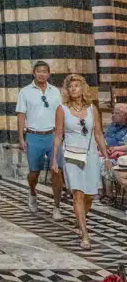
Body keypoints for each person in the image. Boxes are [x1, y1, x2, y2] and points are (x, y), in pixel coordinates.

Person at [52, 73, 109, 250]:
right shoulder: (62, 109)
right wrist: (54, 158)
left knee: (90, 195)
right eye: (70, 86)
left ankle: (81, 218)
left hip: (90, 154)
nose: (73, 89)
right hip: (71, 156)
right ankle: (85, 233)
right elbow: (59, 135)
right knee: (77, 193)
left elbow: (98, 134)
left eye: (76, 86)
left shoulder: (93, 109)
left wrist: (106, 156)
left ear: (83, 88)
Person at [16, 60, 64, 219]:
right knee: (34, 173)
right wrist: (21, 138)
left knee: (57, 172)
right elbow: (21, 115)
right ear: (34, 73)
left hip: (52, 136)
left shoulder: (55, 91)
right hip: (33, 136)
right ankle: (32, 192)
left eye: (45, 71)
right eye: (39, 71)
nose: (42, 74)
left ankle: (56, 206)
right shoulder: (25, 92)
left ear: (49, 74)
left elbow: (60, 114)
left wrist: (60, 134)